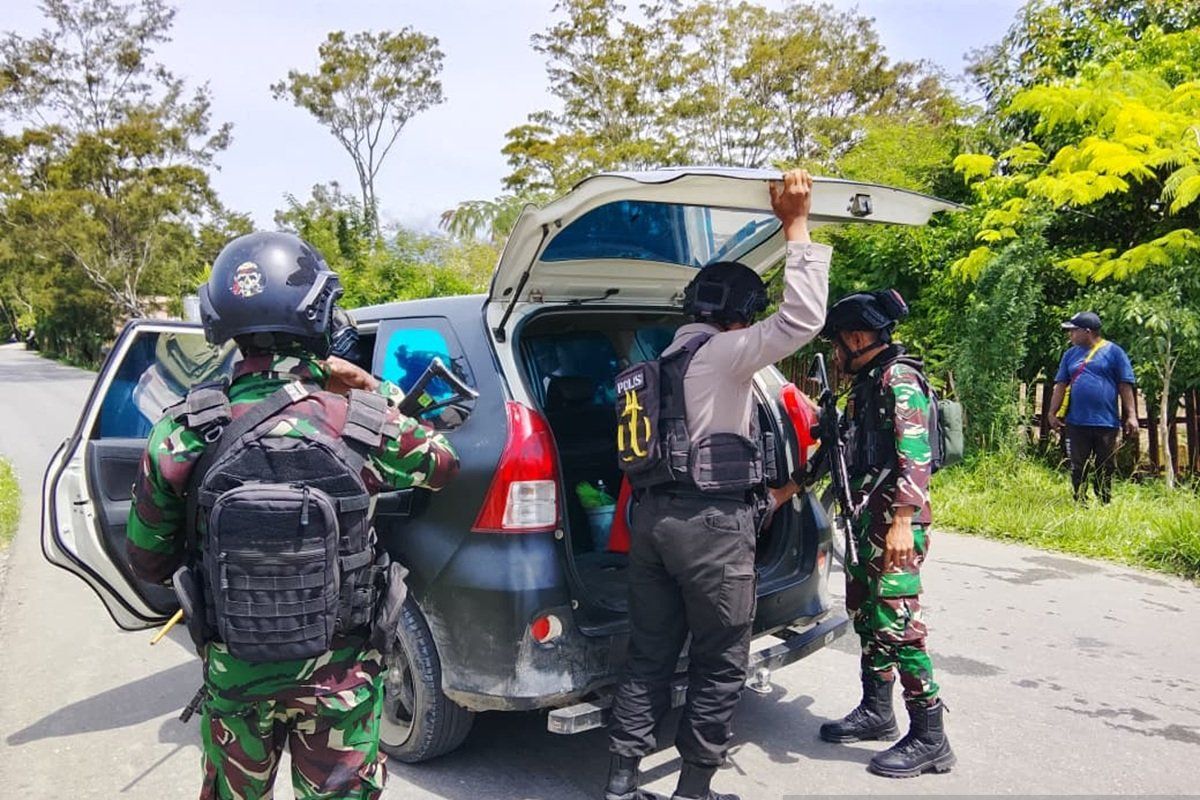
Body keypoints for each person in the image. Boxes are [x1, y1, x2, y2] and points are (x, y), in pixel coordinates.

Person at [125, 231, 459, 800]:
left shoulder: (183, 429)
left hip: (236, 674)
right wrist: (370, 387)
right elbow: (444, 464)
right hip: (340, 678)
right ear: (319, 316)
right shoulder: (360, 419)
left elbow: (149, 562)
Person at [605, 169, 829, 800]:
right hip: (711, 529)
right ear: (738, 316)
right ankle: (694, 790)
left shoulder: (656, 365)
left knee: (649, 656)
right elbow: (803, 317)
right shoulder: (724, 354)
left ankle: (621, 783)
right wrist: (795, 225)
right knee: (720, 659)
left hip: (652, 522)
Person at [770, 289, 954, 778]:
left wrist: (902, 521)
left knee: (899, 623)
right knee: (868, 615)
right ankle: (877, 710)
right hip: (865, 520)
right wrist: (784, 492)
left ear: (856, 339)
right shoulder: (866, 386)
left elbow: (916, 456)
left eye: (837, 344)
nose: (835, 355)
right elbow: (837, 450)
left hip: (895, 523)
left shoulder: (899, 381)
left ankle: (931, 736)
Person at [1048, 311, 1137, 504]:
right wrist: (1052, 412)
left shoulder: (1114, 353)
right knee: (1077, 465)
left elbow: (1125, 385)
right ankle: (1079, 500)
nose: (1070, 335)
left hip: (1106, 422)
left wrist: (1131, 415)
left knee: (1105, 465)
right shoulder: (1070, 355)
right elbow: (1061, 385)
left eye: (1073, 331)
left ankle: (1104, 501)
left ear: (1087, 331)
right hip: (1076, 421)